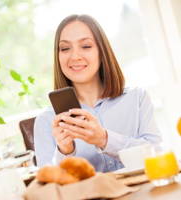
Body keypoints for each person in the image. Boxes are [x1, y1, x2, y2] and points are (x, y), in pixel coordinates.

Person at [34, 14, 161, 172]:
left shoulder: (137, 98)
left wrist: (104, 139)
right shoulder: (47, 121)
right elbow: (49, 187)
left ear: (102, 52)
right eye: (65, 48)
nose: (75, 56)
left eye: (86, 46)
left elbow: (157, 154)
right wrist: (65, 152)